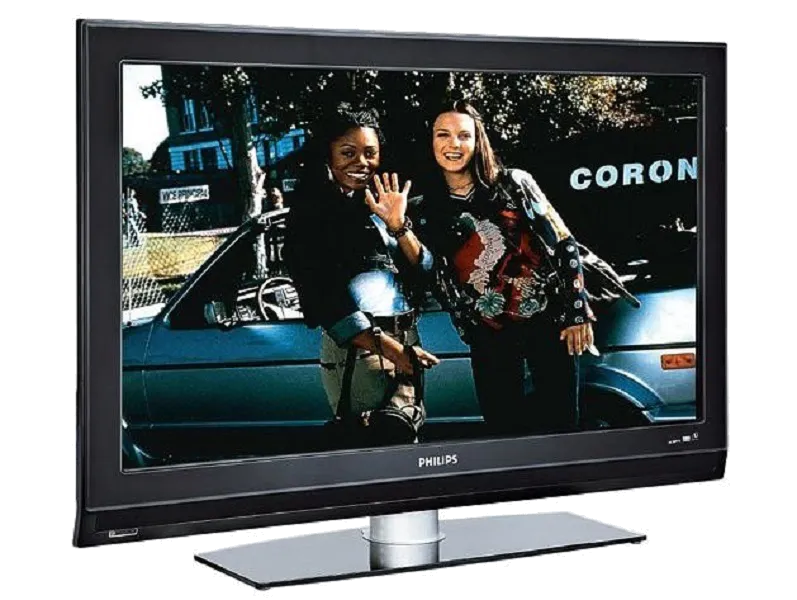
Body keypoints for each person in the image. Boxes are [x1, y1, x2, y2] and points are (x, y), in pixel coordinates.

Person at [405, 100, 597, 436]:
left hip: (547, 325)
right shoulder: (423, 210)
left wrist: (577, 312)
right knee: (504, 434)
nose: (453, 144)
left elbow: (563, 241)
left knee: (561, 431)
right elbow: (430, 273)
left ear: (478, 140)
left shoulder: (514, 184)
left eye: (464, 135)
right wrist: (398, 228)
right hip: (488, 336)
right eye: (443, 134)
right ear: (430, 141)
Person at [283, 102, 440, 447]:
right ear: (328, 156)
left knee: (406, 447)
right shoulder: (311, 215)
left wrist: (398, 226)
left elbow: (427, 271)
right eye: (347, 152)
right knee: (374, 449)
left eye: (370, 153)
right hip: (360, 350)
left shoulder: (383, 205)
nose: (361, 162)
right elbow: (324, 299)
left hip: (406, 341)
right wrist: (394, 351)